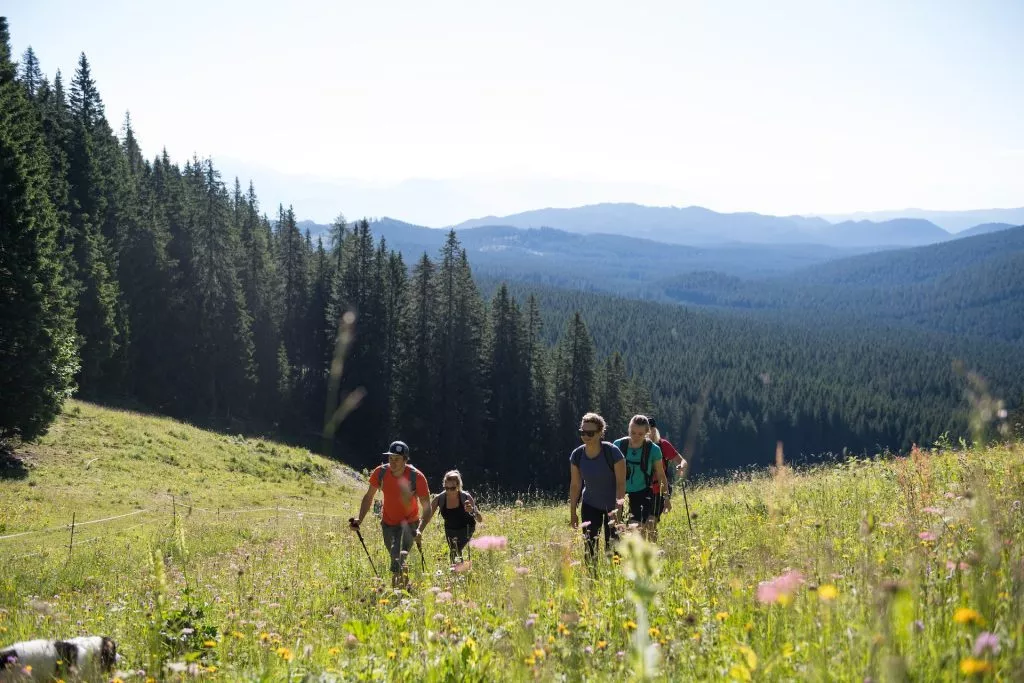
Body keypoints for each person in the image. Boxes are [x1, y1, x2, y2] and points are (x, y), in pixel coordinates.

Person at [349, 441, 434, 588]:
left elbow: (427, 507)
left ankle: (397, 592)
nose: (393, 462)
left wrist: (420, 528)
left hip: (409, 524)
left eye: (397, 459)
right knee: (397, 558)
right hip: (388, 524)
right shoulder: (380, 473)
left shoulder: (417, 477)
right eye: (391, 458)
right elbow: (369, 497)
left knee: (398, 556)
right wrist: (359, 520)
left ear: (405, 460)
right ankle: (406, 588)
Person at [569, 412, 626, 562]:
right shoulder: (577, 455)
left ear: (600, 433)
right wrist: (573, 512)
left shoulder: (612, 452)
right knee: (589, 546)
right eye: (583, 432)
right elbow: (575, 485)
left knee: (614, 547)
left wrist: (618, 509)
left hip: (613, 506)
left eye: (590, 432)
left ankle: (616, 576)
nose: (586, 436)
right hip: (589, 505)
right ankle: (591, 581)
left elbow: (621, 484)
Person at [613, 415, 670, 540]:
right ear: (628, 429)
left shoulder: (653, 450)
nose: (636, 437)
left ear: (647, 432)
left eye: (640, 434)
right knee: (616, 531)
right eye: (633, 432)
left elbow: (661, 476)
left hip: (641, 494)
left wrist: (666, 499)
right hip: (619, 493)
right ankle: (619, 558)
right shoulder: (618, 445)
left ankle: (641, 555)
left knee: (636, 530)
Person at [430, 469, 483, 564]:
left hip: (466, 528)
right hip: (450, 530)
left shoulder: (466, 497)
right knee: (454, 552)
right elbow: (427, 516)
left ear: (458, 486)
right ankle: (459, 574)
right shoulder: (439, 498)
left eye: (453, 488)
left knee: (455, 551)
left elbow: (480, 519)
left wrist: (472, 510)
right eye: (447, 488)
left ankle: (457, 573)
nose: (449, 491)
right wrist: (418, 530)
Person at [649, 418, 688, 528]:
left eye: (650, 429)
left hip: (659, 489)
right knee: (640, 524)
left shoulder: (662, 445)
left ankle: (650, 545)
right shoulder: (637, 446)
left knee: (652, 522)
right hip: (641, 489)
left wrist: (681, 466)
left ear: (654, 429)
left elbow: (682, 460)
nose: (647, 432)